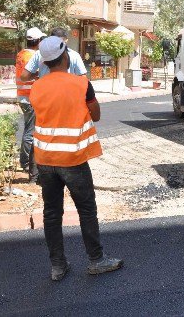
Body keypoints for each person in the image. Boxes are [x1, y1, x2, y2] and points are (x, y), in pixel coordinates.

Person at [29, 36, 122, 281]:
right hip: (73, 159)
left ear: (46, 63)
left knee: (51, 213)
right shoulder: (81, 84)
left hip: (45, 160)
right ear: (66, 56)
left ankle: (58, 266)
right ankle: (96, 260)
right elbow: (97, 114)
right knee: (87, 210)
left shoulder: (37, 87)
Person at [15, 27, 46, 183]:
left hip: (23, 96)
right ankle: (26, 163)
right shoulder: (32, 56)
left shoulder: (21, 53)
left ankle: (23, 161)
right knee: (31, 132)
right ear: (37, 41)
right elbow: (28, 75)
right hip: (30, 97)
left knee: (28, 129)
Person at [20, 27, 87, 82]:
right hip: (67, 95)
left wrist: (38, 74)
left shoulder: (39, 53)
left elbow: (24, 77)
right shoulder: (74, 55)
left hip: (44, 93)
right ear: (66, 40)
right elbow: (83, 79)